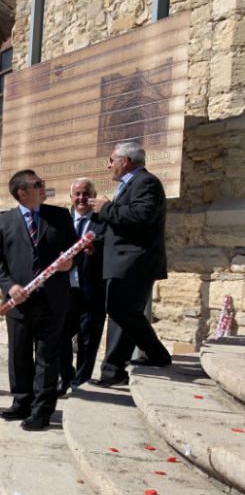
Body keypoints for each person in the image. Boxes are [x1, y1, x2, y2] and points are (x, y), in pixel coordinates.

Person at [0, 170, 77, 431]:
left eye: (42, 183)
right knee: (19, 354)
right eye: (37, 185)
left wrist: (71, 262)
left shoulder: (59, 216)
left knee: (47, 357)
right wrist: (10, 286)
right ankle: (21, 401)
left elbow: (76, 249)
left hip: (53, 300)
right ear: (21, 192)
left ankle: (42, 410)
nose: (43, 187)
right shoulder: (2, 223)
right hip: (19, 302)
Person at [89, 142, 172, 386]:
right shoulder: (132, 184)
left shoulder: (146, 183)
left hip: (135, 262)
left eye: (112, 159)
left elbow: (140, 217)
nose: (108, 165)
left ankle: (113, 371)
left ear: (125, 161)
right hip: (124, 261)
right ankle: (156, 355)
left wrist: (107, 208)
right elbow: (121, 226)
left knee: (121, 311)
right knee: (124, 312)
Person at [59, 179, 106, 395]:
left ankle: (81, 383)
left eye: (86, 194)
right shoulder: (62, 222)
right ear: (71, 198)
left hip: (92, 290)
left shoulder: (103, 221)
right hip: (65, 291)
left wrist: (96, 252)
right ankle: (66, 377)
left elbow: (113, 250)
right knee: (59, 336)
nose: (81, 198)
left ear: (93, 196)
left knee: (88, 340)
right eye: (77, 194)